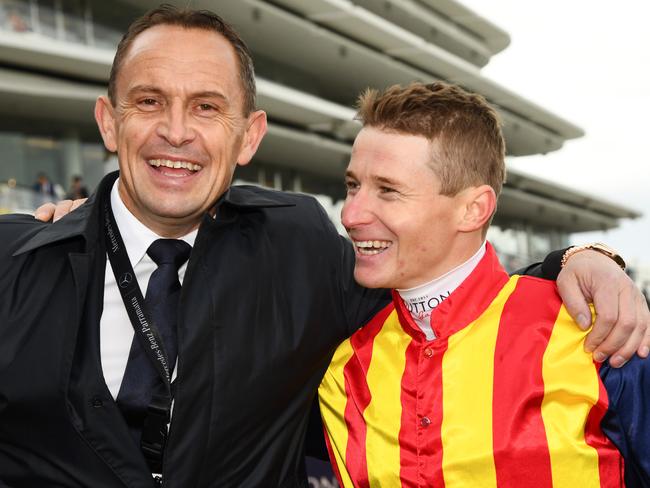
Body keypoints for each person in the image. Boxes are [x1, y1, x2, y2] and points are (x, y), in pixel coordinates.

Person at [4, 5, 647, 487]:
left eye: (206, 107)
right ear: (109, 122)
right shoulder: (15, 265)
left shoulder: (301, 247)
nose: (176, 132)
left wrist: (582, 262)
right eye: (148, 102)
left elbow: (448, 291)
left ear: (250, 137)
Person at [317, 82, 650, 487]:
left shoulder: (600, 332)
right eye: (353, 186)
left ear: (474, 210)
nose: (351, 214)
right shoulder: (344, 369)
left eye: (388, 191)